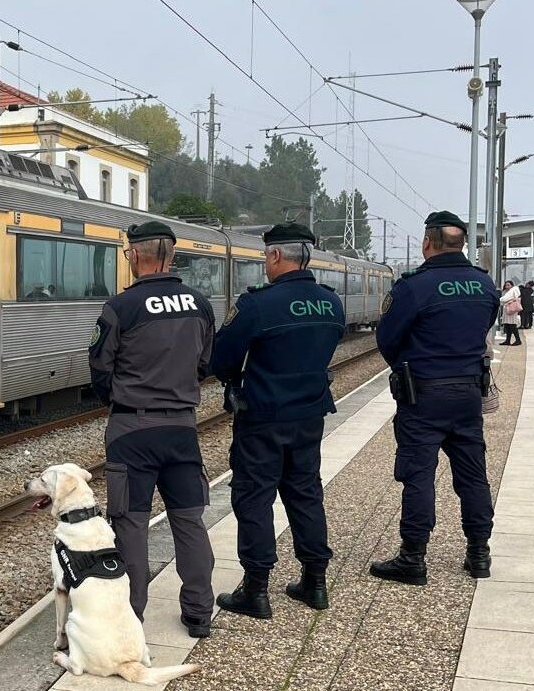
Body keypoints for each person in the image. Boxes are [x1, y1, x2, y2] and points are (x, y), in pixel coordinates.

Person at [208, 223, 345, 619]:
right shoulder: (331, 303)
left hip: (263, 417)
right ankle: (314, 581)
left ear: (274, 256)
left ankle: (256, 589)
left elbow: (222, 358)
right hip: (310, 415)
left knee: (254, 496)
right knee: (305, 493)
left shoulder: (258, 305)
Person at [88, 221, 216, 638]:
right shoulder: (199, 304)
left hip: (131, 430)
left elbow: (100, 369)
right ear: (171, 256)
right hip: (182, 429)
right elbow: (204, 364)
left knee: (131, 525)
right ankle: (198, 612)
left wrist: (124, 400)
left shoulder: (121, 308)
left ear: (135, 255)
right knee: (189, 522)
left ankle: (132, 617)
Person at [371, 211, 500, 584]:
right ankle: (479, 554)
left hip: (423, 395)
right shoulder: (483, 284)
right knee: (474, 476)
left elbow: (388, 339)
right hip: (467, 394)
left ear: (428, 242)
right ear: (461, 244)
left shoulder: (414, 287)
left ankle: (413, 558)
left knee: (418, 475)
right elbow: (483, 327)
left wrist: (409, 366)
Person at [499, 280, 522, 346]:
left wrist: (499, 300)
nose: (507, 286)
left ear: (512, 285)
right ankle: (508, 340)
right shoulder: (508, 291)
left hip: (511, 310)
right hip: (508, 310)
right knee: (507, 325)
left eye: (508, 285)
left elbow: (504, 299)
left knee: (512, 325)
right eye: (506, 285)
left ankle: (518, 340)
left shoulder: (512, 291)